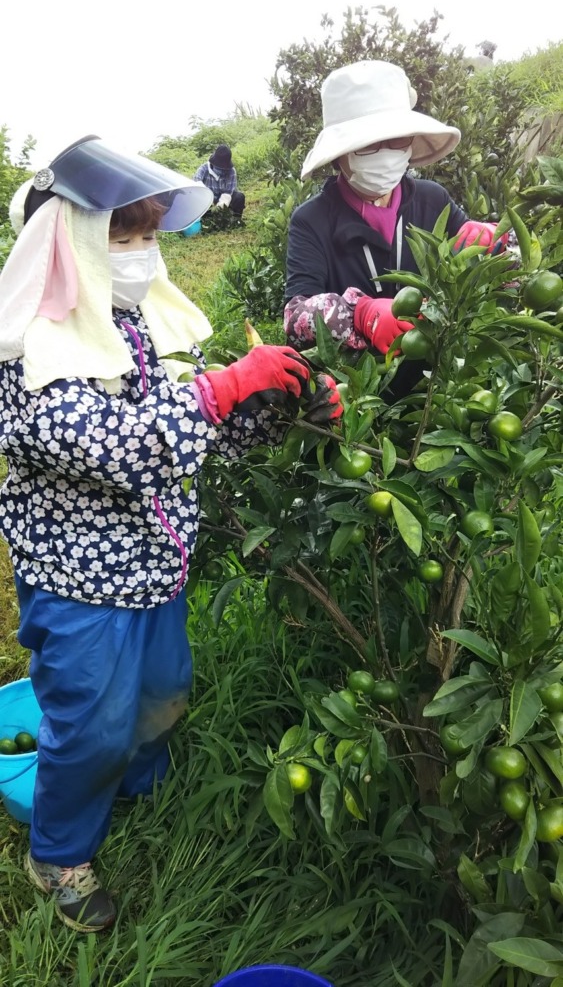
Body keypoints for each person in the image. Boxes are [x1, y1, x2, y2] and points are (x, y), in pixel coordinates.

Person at [0, 135, 340, 933]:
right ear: (73, 243)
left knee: (160, 692)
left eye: (151, 235)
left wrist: (279, 405)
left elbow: (199, 437)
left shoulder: (137, 324)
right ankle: (58, 854)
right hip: (79, 582)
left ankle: (136, 785)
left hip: (156, 563)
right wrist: (219, 392)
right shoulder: (29, 348)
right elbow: (114, 448)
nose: (142, 254)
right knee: (90, 724)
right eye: (124, 237)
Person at [284, 60, 507, 397]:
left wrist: (496, 245)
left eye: (396, 139)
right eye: (368, 144)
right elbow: (295, 319)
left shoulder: (432, 200)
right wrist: (358, 313)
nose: (386, 153)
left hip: (432, 383)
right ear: (339, 155)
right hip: (353, 394)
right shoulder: (312, 220)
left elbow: (496, 264)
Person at [194, 143, 245, 219]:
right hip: (206, 201)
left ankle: (235, 220)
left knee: (239, 197)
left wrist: (219, 209)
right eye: (219, 168)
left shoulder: (231, 171)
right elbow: (197, 185)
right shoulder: (203, 169)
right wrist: (209, 203)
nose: (221, 170)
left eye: (223, 168)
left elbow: (227, 193)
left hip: (224, 201)